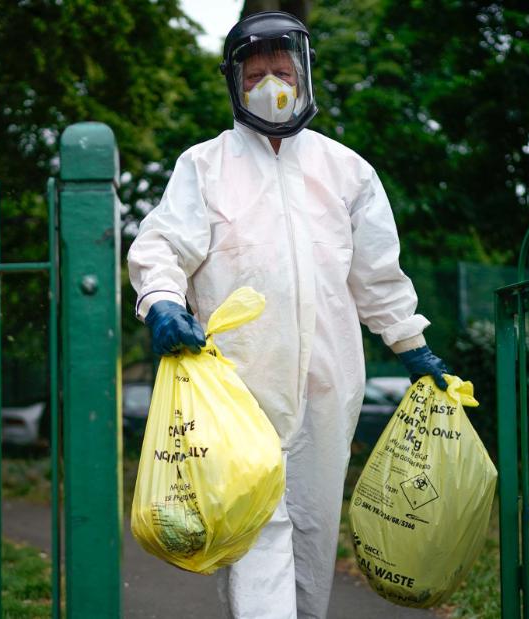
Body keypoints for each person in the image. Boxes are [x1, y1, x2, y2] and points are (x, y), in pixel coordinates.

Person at [126, 11, 450, 619]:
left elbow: (376, 277)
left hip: (330, 384)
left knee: (312, 527)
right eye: (256, 74)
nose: (271, 84)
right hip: (236, 388)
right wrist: (163, 301)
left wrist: (412, 346)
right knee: (255, 529)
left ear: (302, 75)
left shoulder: (347, 171)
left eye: (282, 70)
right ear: (235, 84)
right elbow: (161, 245)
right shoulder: (204, 166)